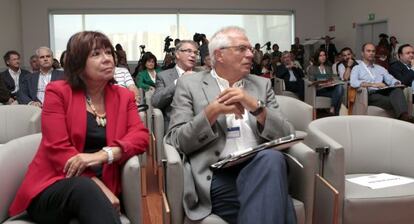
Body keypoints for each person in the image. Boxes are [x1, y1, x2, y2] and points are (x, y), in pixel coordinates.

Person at [9, 31, 149, 223]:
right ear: (78, 63)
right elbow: (58, 149)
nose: (107, 59)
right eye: (96, 54)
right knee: (85, 188)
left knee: (88, 193)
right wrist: (99, 187)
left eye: (109, 53)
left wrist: (104, 155)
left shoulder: (123, 96)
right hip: (54, 185)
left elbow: (140, 136)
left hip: (98, 189)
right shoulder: (58, 92)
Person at [166, 26, 296, 224]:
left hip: (261, 166)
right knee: (276, 200)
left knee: (272, 158)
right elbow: (177, 140)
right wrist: (212, 112)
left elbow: (287, 134)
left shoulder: (261, 85)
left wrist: (256, 107)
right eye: (242, 49)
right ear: (219, 54)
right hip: (216, 175)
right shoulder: (190, 85)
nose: (251, 54)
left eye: (251, 49)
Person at [350, 43, 413, 122]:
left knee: (397, 90)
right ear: (362, 53)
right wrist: (373, 84)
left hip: (383, 91)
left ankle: (404, 116)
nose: (371, 53)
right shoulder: (357, 68)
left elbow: (390, 79)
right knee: (396, 101)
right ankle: (404, 118)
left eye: (373, 51)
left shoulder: (380, 68)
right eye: (368, 51)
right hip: (369, 94)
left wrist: (396, 83)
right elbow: (353, 82)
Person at [152, 40, 197, 130]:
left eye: (195, 52)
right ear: (177, 54)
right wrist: (179, 81)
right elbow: (156, 102)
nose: (193, 55)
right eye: (188, 51)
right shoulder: (163, 76)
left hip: (201, 125)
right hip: (177, 126)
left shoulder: (202, 74)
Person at [308, 49, 344, 115]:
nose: (323, 57)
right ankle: (336, 113)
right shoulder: (312, 68)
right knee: (339, 94)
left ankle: (332, 107)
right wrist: (322, 81)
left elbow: (330, 79)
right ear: (317, 57)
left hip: (328, 89)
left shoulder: (328, 67)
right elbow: (311, 81)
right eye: (320, 55)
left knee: (340, 87)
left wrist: (331, 82)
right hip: (318, 90)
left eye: (324, 55)